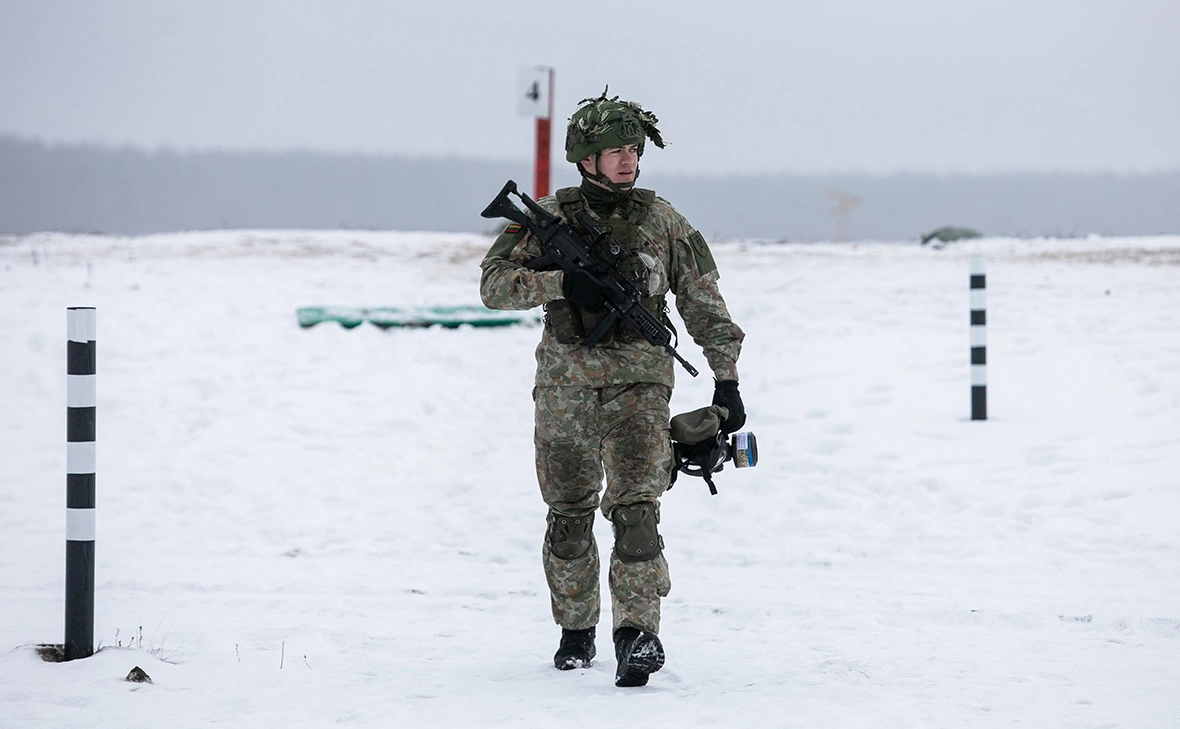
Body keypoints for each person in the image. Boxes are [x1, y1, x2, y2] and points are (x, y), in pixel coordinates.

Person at [479, 90, 746, 688]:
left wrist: (726, 378)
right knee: (569, 514)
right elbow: (493, 286)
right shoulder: (548, 217)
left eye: (633, 149)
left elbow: (704, 302)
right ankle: (577, 631)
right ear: (584, 158)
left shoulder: (663, 221)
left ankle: (637, 636)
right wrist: (561, 283)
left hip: (641, 384)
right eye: (613, 150)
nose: (627, 161)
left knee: (636, 511)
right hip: (566, 386)